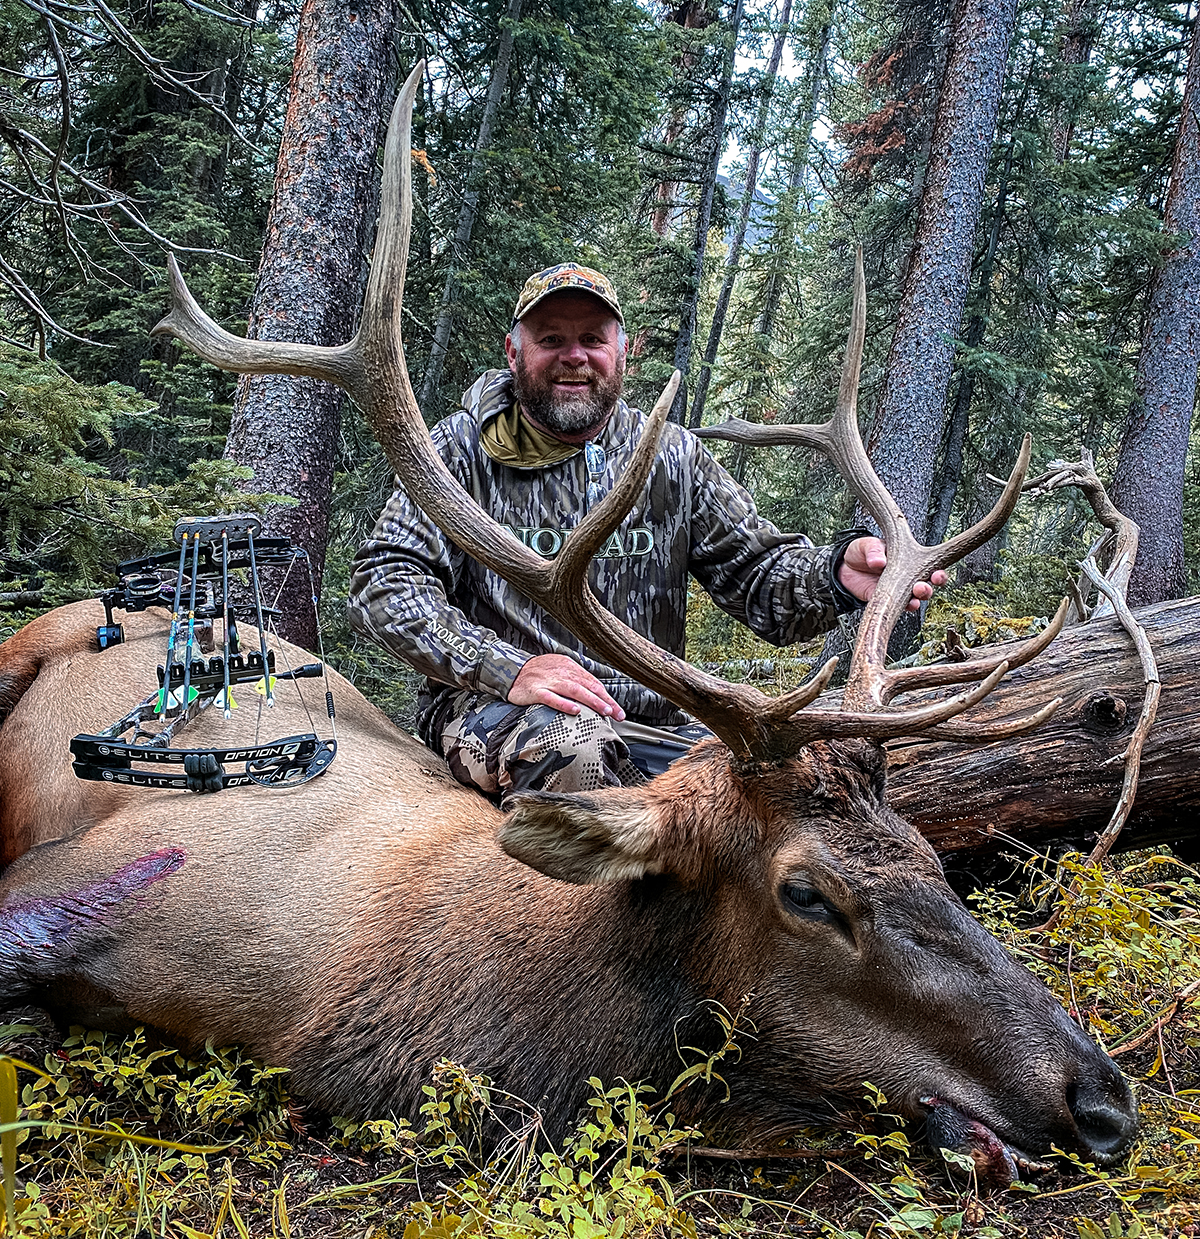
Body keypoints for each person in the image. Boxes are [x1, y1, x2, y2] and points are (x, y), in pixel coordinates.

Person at [348, 263, 944, 797]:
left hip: (655, 720)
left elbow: (759, 579)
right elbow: (385, 584)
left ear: (623, 353)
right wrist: (510, 670)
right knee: (570, 751)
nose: (573, 356)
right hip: (499, 707)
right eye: (550, 339)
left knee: (798, 782)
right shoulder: (458, 451)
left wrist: (836, 574)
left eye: (592, 339)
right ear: (513, 352)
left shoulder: (669, 456)